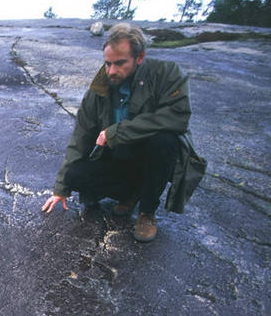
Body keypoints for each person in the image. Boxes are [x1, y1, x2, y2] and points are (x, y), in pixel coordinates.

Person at [41, 23, 206, 242]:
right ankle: (129, 194)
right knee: (75, 176)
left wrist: (117, 132)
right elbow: (81, 136)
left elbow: (177, 117)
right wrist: (60, 188)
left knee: (165, 141)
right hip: (119, 157)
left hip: (152, 156)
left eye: (120, 63)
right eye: (108, 63)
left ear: (140, 57)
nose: (111, 71)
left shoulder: (166, 74)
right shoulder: (100, 88)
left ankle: (147, 212)